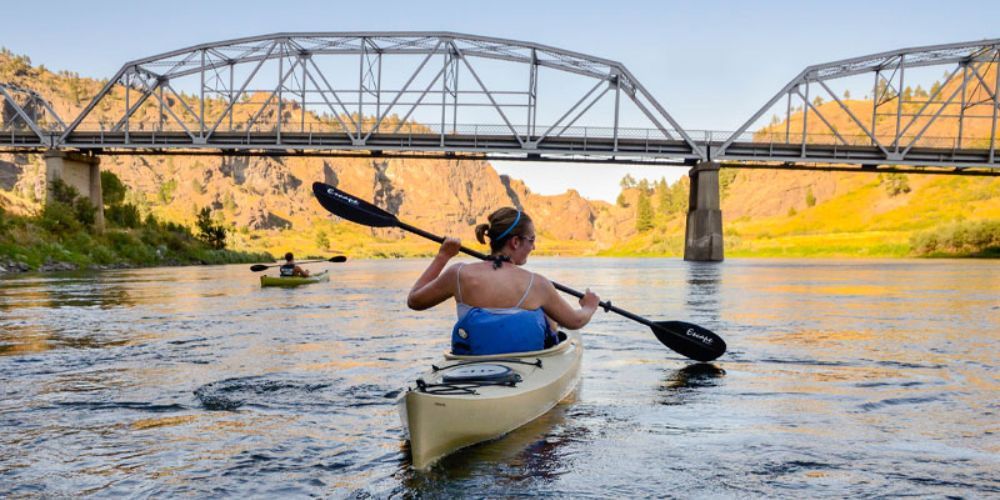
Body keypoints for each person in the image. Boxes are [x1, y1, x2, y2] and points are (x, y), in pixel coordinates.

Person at [407, 207, 601, 355]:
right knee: (548, 317)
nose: (534, 247)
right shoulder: (538, 284)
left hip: (472, 360)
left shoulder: (458, 274)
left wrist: (443, 256)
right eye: (531, 240)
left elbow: (415, 300)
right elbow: (575, 321)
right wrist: (590, 306)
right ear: (515, 242)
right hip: (526, 364)